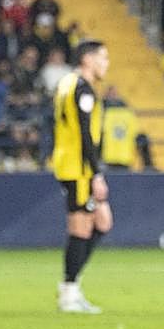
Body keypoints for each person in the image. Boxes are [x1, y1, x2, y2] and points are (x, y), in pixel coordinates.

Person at [52, 40, 113, 314]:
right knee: (81, 228)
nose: (106, 64)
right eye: (102, 58)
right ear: (87, 59)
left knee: (102, 221)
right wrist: (96, 173)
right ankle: (69, 292)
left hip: (73, 164)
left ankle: (72, 285)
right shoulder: (82, 89)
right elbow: (85, 133)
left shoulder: (67, 83)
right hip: (78, 169)